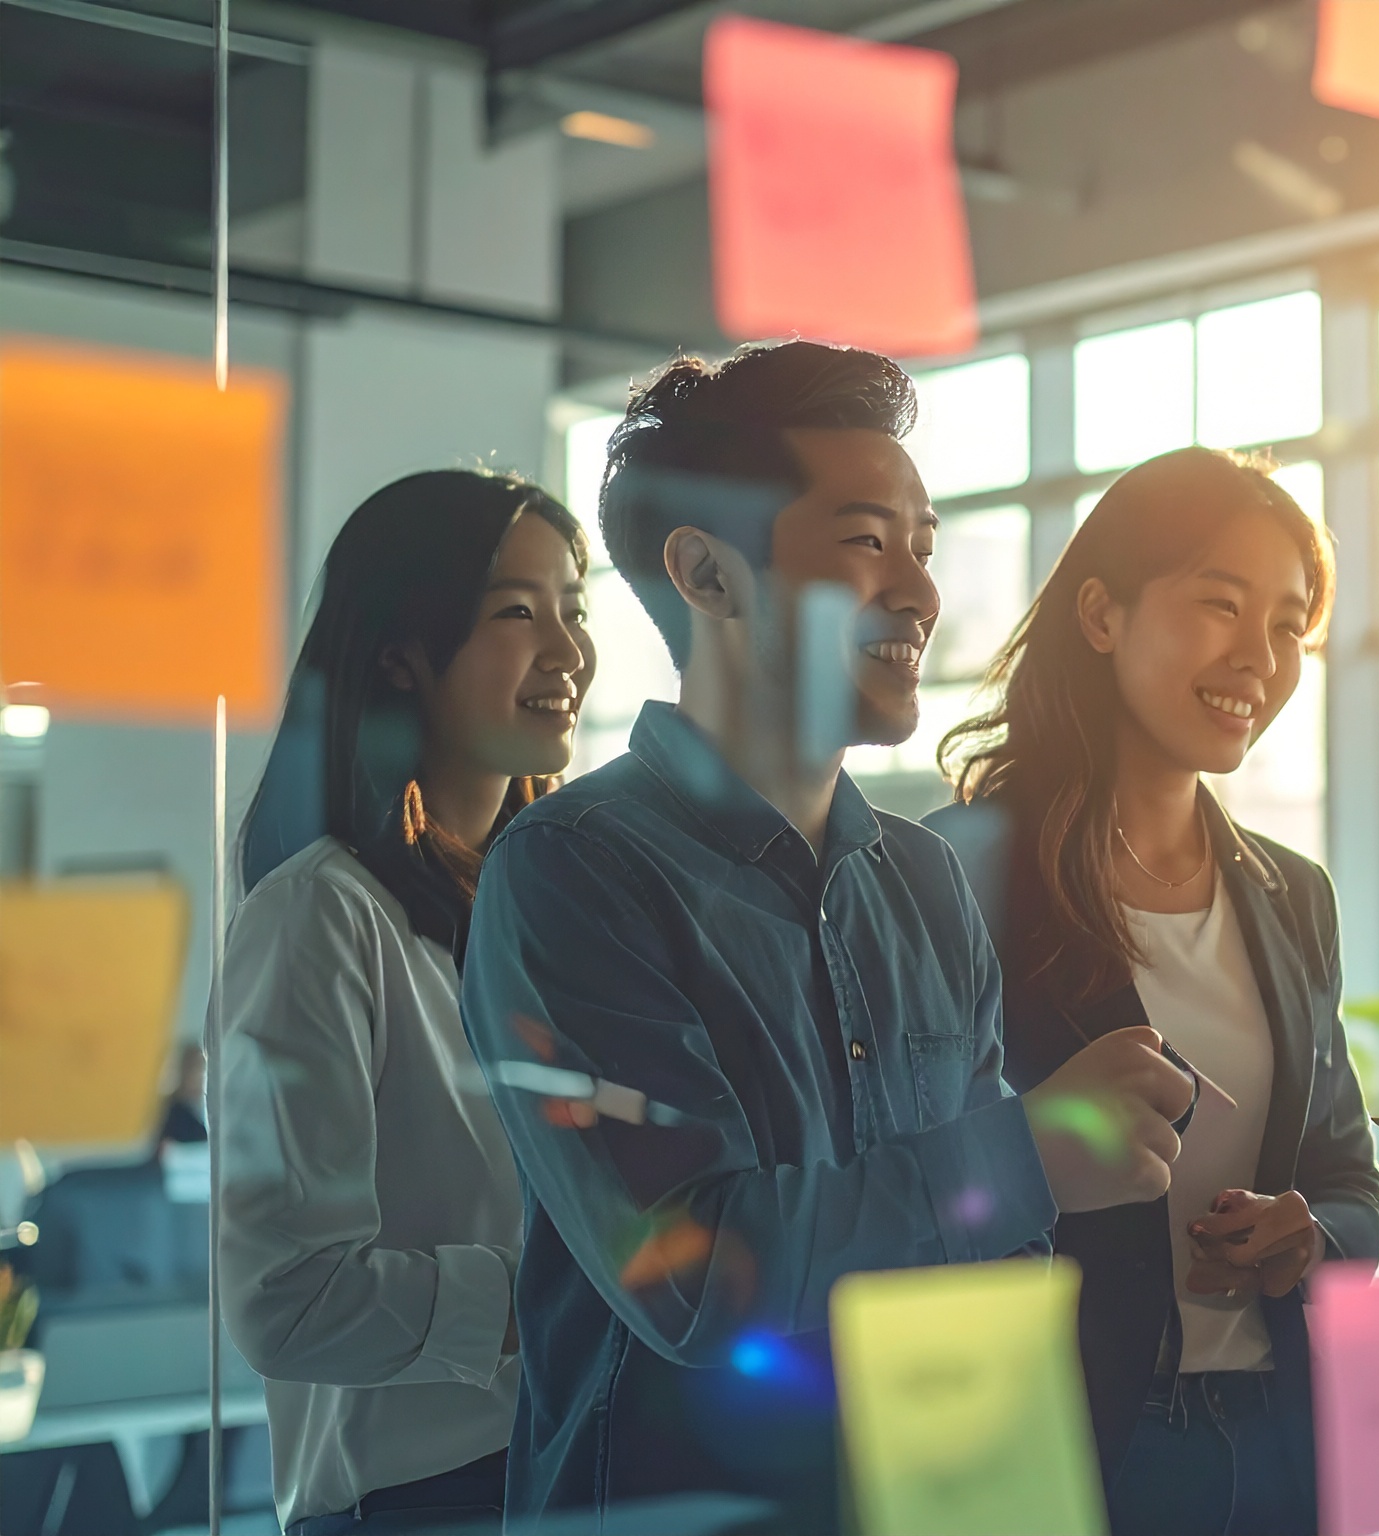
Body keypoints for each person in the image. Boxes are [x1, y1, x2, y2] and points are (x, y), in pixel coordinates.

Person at [458, 341, 1193, 1529]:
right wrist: (1028, 1155)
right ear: (706, 573)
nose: (918, 591)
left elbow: (986, 1262)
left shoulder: (926, 880)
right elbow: (689, 1271)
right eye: (864, 542)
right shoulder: (570, 875)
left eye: (923, 545)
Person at [925, 447, 1379, 1536]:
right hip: (1071, 1447)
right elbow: (907, 1190)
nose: (1260, 658)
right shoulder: (959, 872)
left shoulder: (1291, 895)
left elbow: (1351, 1181)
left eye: (1288, 625)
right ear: (1101, 614)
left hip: (1278, 1437)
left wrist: (1307, 1232)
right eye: (1221, 606)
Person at [219, 469, 594, 1535]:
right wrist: (557, 1292)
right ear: (399, 652)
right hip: (420, 1504)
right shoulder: (319, 918)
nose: (567, 649)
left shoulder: (550, 915)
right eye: (518, 612)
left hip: (569, 1465)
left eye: (575, 608)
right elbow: (288, 1299)